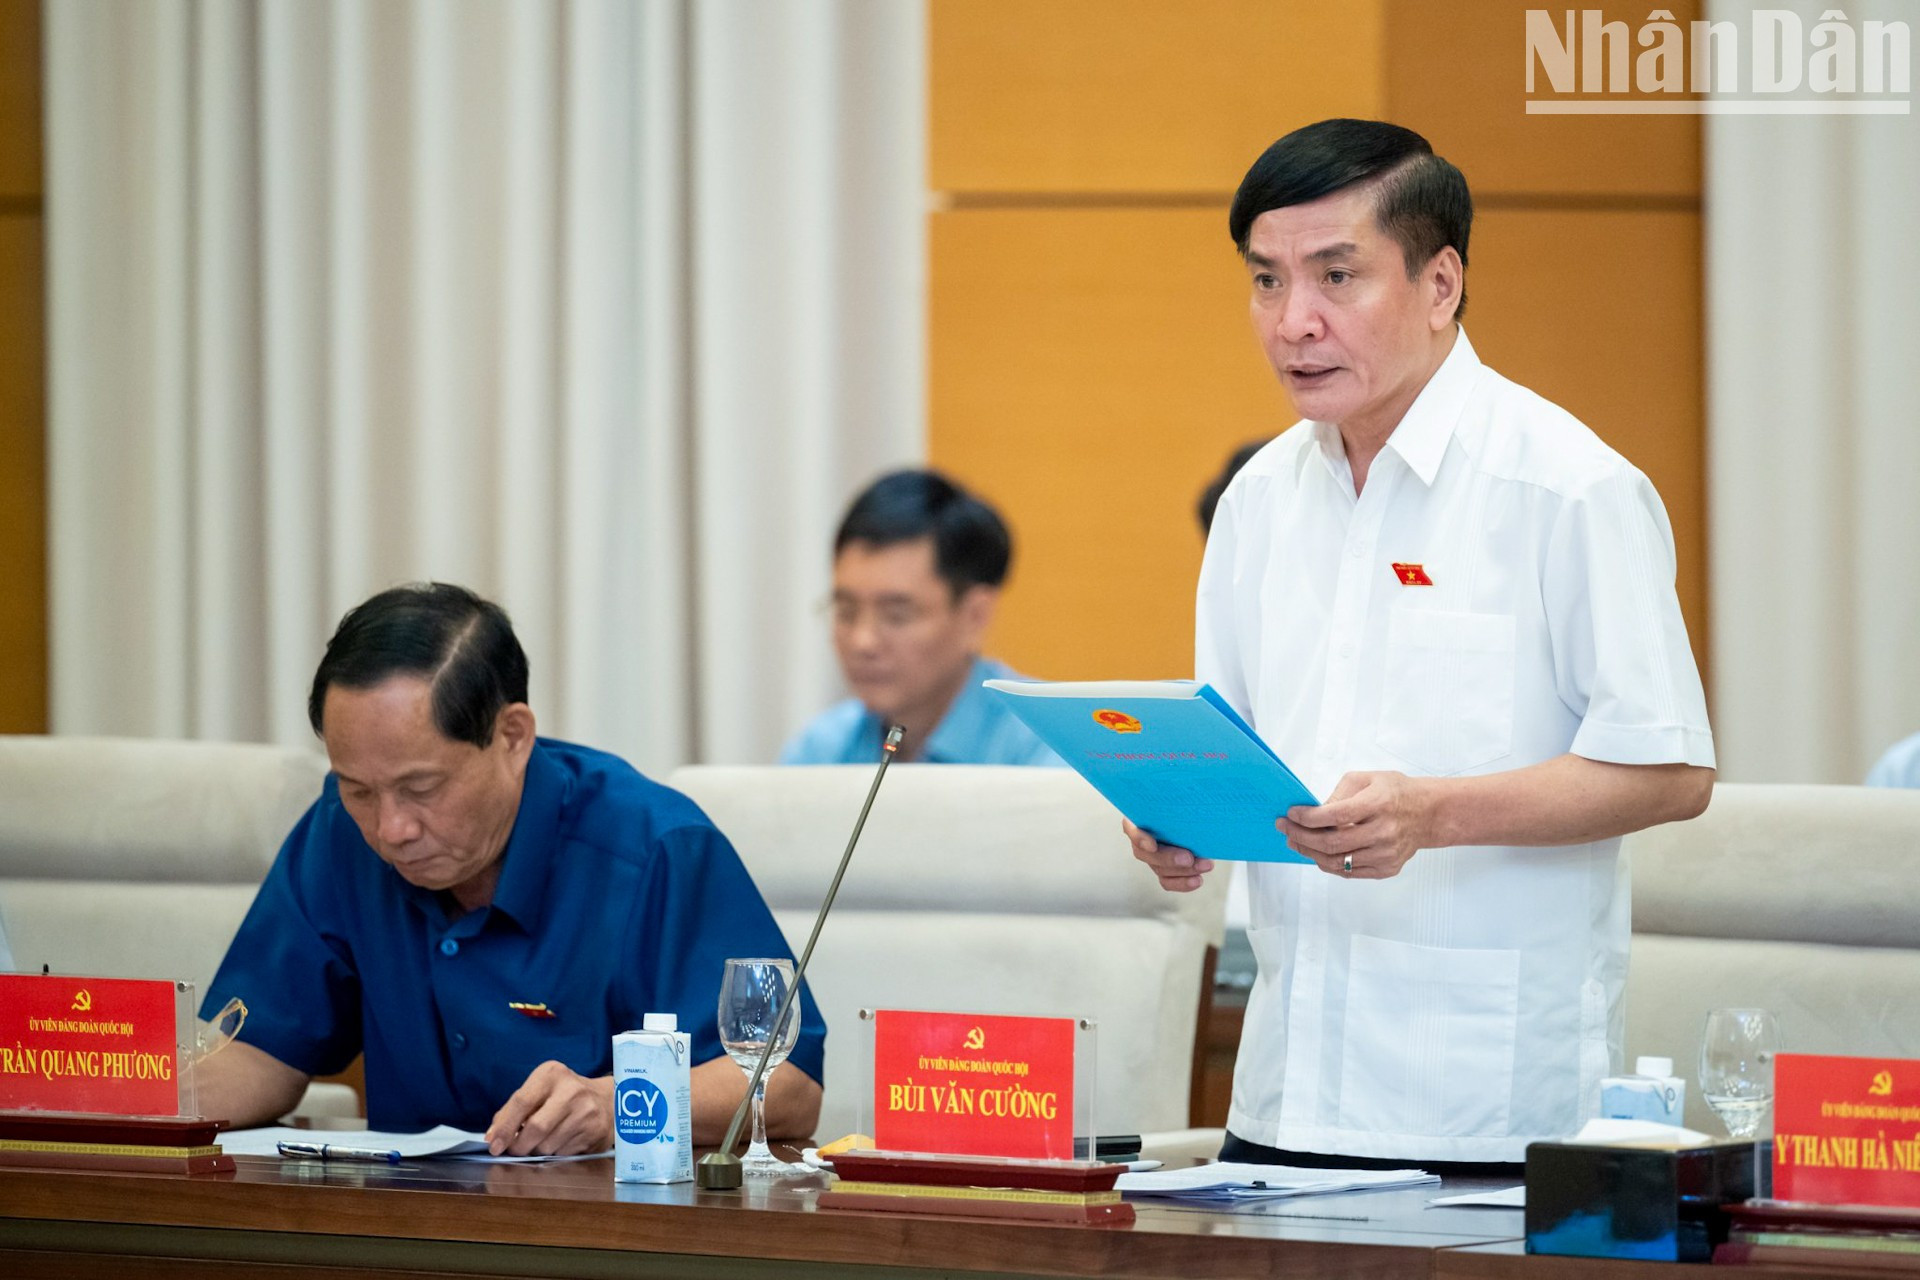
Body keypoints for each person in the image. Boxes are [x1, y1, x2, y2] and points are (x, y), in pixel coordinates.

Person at [1128, 119, 1715, 1174]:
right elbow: (1238, 746)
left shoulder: (1567, 487)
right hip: (1282, 1095)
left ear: (1441, 284)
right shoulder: (1258, 499)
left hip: (1487, 1112)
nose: (1293, 322)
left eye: (1336, 276)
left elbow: (1671, 769)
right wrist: (1182, 819)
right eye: (1266, 281)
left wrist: (1434, 811)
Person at [197, 583, 824, 1154]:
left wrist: (615, 1105)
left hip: (604, 1232)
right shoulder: (338, 832)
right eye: (359, 789)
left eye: (421, 787)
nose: (391, 829)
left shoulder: (653, 847)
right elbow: (257, 1051)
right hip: (402, 1227)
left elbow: (790, 1085)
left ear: (513, 737)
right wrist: (126, 1092)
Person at [781, 468, 1059, 766]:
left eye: (896, 616)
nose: (863, 641)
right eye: (847, 612)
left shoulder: (1049, 747)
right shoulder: (821, 751)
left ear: (974, 616)